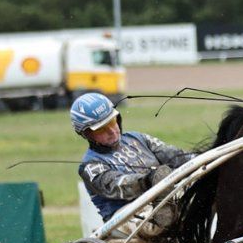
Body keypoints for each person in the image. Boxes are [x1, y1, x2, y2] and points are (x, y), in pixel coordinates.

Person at [73, 92, 195, 233]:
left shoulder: (137, 138)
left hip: (163, 200)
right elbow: (119, 185)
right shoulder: (90, 165)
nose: (112, 131)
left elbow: (176, 156)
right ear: (86, 134)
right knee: (167, 214)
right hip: (123, 215)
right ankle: (165, 215)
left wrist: (201, 159)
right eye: (101, 129)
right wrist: (148, 181)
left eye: (112, 122)